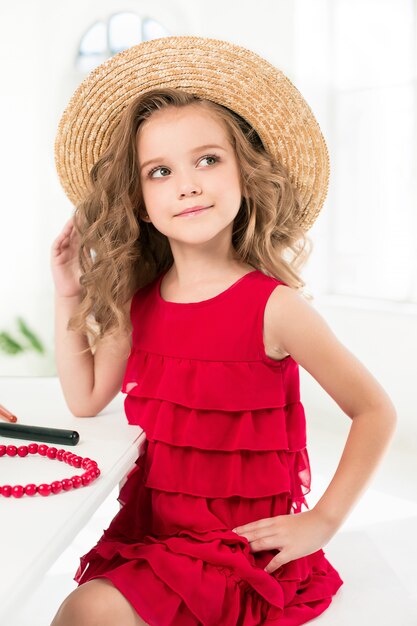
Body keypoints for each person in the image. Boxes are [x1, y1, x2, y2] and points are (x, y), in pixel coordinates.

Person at [49, 36, 397, 626]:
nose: (187, 183)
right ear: (139, 202)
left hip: (240, 553)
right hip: (154, 539)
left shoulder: (275, 307)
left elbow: (375, 411)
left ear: (244, 173)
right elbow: (84, 400)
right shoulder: (141, 304)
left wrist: (324, 521)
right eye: (161, 171)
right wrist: (68, 292)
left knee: (83, 610)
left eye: (208, 159)